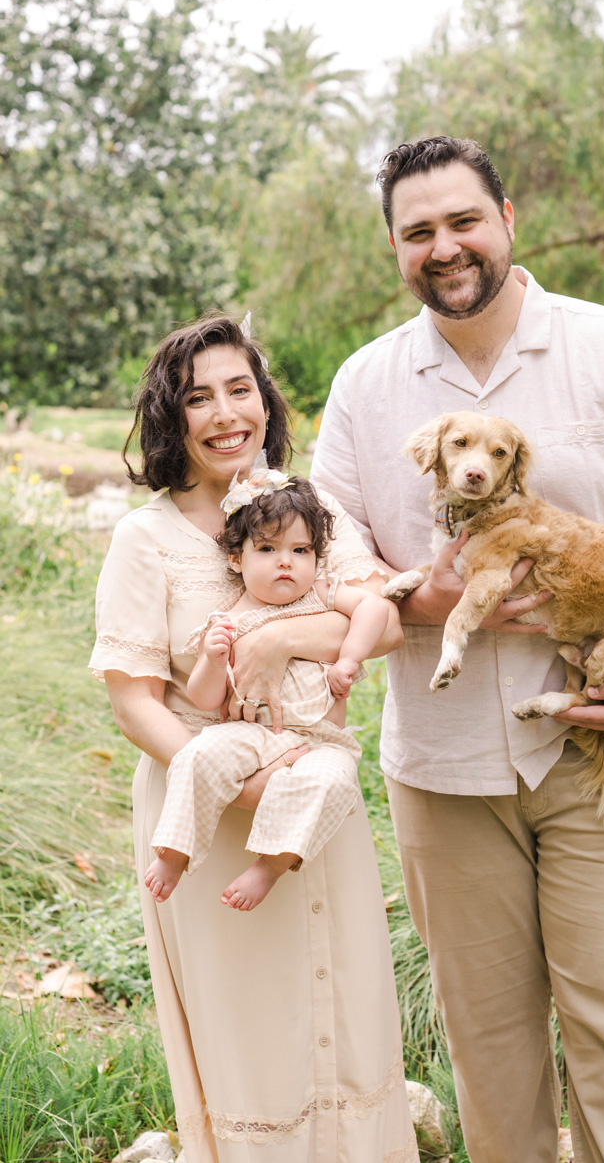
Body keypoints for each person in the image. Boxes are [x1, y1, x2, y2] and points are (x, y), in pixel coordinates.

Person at [309, 136, 604, 1163]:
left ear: (508, 219)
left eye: (464, 220)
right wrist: (420, 596)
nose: (445, 246)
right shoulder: (368, 385)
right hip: (447, 768)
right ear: (395, 247)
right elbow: (330, 554)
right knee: (487, 1045)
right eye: (418, 231)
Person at [90, 314, 418, 1163]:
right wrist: (234, 784)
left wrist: (278, 639)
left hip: (312, 791)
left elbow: (382, 622)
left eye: (240, 389)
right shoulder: (146, 538)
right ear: (172, 416)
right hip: (204, 803)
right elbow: (134, 701)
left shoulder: (311, 510)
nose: (225, 413)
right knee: (249, 1026)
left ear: (265, 401)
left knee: (344, 1008)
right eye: (199, 397)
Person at [143, 469, 390, 912]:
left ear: (316, 556)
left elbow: (374, 608)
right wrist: (213, 660)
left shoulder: (321, 596)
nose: (286, 562)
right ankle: (175, 852)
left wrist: (349, 659)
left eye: (301, 550)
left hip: (320, 740)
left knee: (332, 780)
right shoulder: (228, 621)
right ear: (236, 559)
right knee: (198, 755)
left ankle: (270, 866)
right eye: (267, 549)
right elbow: (205, 700)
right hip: (253, 734)